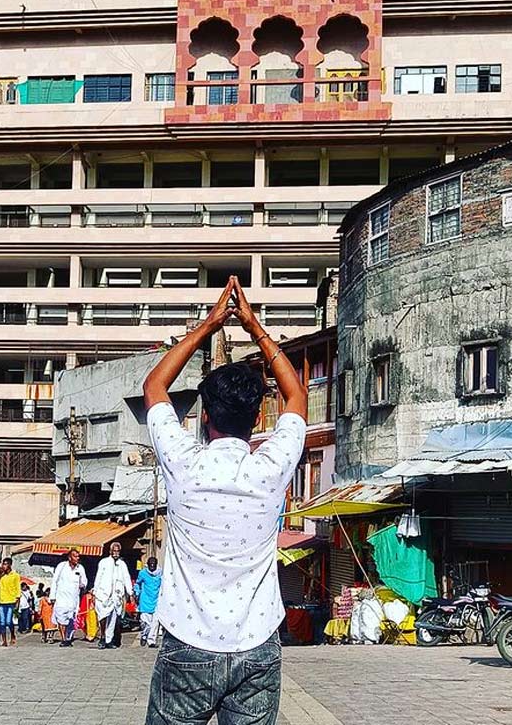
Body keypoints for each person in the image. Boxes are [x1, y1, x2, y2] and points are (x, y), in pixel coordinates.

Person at [142, 276, 307, 725]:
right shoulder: (270, 469)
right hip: (258, 646)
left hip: (188, 644)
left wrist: (209, 325)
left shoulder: (184, 463)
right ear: (257, 419)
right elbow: (297, 395)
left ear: (206, 416)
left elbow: (154, 387)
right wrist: (253, 325)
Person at [93, 542, 132, 650]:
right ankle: (102, 637)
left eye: (118, 551)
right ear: (110, 551)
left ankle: (109, 641)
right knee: (103, 616)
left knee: (113, 618)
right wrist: (95, 592)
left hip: (116, 596)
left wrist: (130, 592)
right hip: (103, 594)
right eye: (114, 551)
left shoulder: (122, 564)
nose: (116, 553)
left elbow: (126, 578)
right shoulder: (104, 562)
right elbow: (98, 577)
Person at [50, 548, 88, 646]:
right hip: (61, 597)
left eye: (78, 556)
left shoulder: (80, 568)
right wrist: (52, 596)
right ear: (70, 557)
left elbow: (84, 581)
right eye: (75, 556)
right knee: (61, 617)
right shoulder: (61, 566)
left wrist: (82, 585)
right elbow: (54, 581)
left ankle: (68, 637)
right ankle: (64, 639)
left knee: (71, 619)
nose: (77, 558)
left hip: (73, 599)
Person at [135, 557, 162, 649]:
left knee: (155, 623)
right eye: (150, 565)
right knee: (146, 623)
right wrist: (136, 592)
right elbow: (137, 583)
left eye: (153, 565)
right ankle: (144, 635)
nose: (152, 566)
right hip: (145, 600)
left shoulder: (161, 574)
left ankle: (151, 641)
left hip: (157, 600)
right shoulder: (142, 573)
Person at [0, 557, 22, 646]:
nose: (4, 566)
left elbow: (18, 589)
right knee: (2, 622)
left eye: (5, 564)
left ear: (10, 565)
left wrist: (17, 600)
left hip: (11, 601)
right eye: (3, 564)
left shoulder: (15, 575)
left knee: (8, 621)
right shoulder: (1, 576)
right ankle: (4, 640)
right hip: (1, 601)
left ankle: (12, 635)